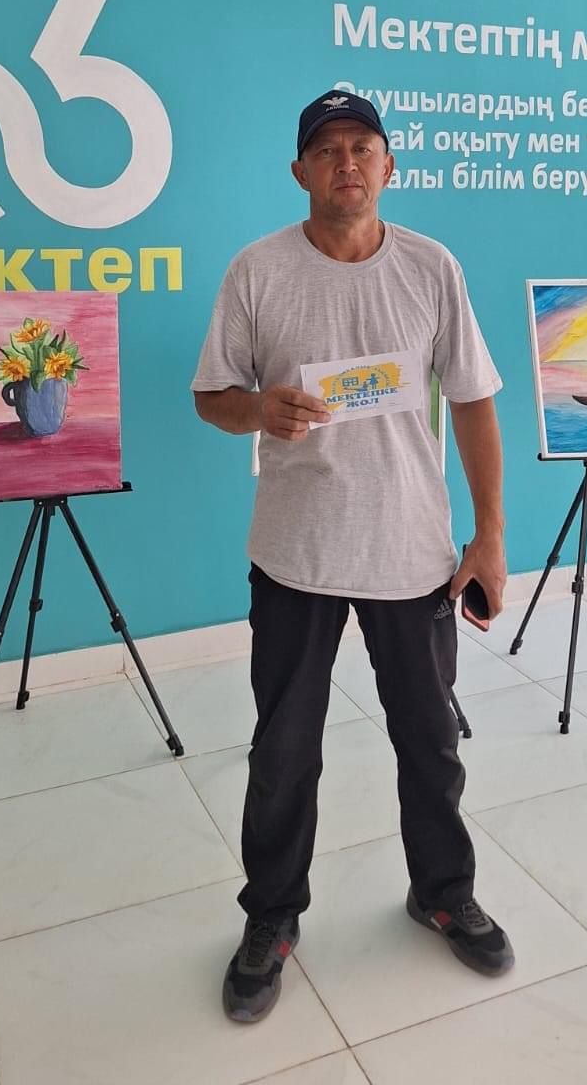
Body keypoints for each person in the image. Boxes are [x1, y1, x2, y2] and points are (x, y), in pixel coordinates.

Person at [192, 88, 514, 1024]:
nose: (346, 162)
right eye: (327, 149)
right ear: (299, 170)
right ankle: (271, 917)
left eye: (362, 147)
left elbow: (474, 400)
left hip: (411, 553)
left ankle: (444, 892)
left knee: (431, 743)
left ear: (389, 166)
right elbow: (213, 396)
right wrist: (261, 409)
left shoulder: (431, 267)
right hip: (295, 556)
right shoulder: (258, 271)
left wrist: (489, 537)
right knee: (283, 753)